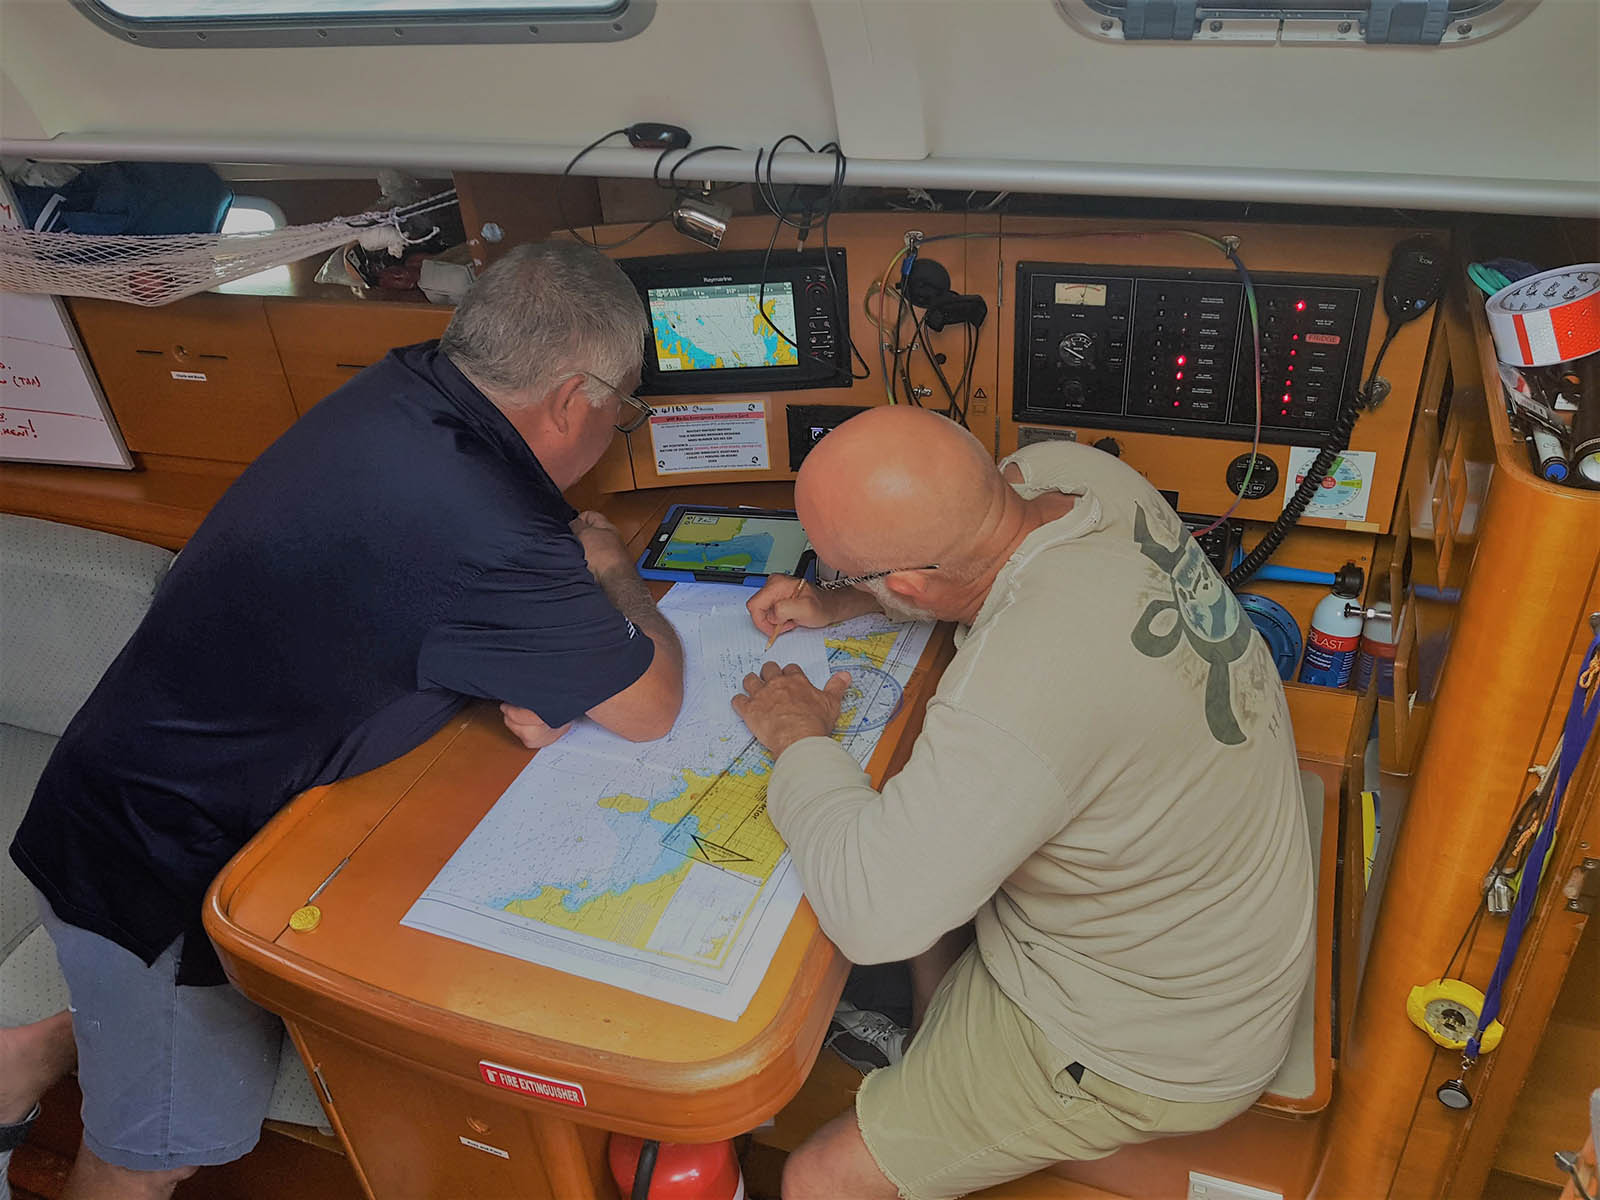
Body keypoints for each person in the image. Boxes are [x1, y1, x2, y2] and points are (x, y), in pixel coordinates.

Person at [2, 241, 682, 1199]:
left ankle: (27, 1056)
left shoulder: (406, 389)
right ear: (577, 397)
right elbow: (650, 704)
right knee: (154, 1152)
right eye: (623, 406)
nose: (615, 427)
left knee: (168, 1035)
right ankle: (40, 1071)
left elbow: (388, 590)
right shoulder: (492, 528)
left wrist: (511, 659)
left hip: (125, 795)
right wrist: (616, 578)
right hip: (155, 872)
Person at [732, 406, 1314, 1200]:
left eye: (842, 572)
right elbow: (964, 554)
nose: (833, 584)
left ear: (906, 581)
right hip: (1211, 914)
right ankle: (942, 1037)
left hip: (1150, 1039)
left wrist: (800, 737)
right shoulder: (1076, 477)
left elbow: (874, 915)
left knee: (816, 1180)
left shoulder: (1017, 692)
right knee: (924, 845)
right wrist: (848, 603)